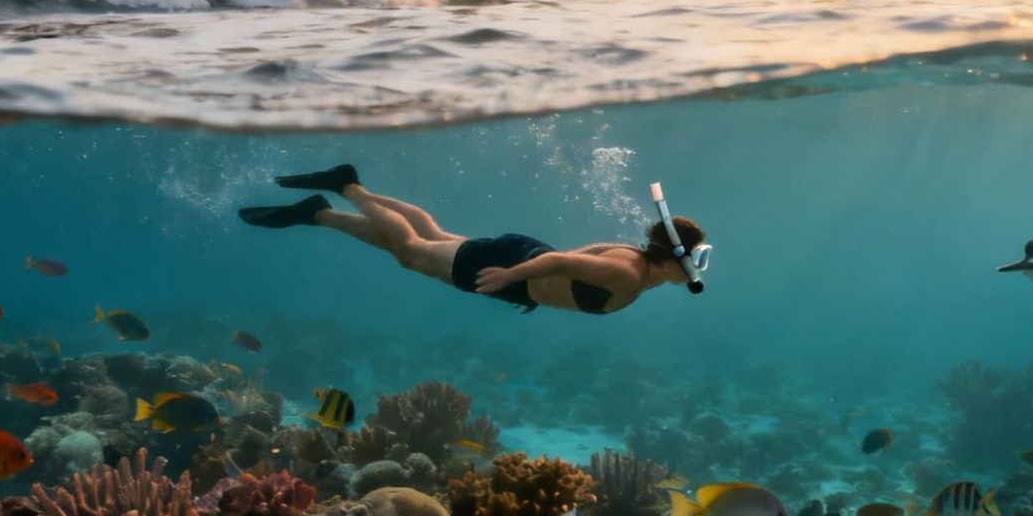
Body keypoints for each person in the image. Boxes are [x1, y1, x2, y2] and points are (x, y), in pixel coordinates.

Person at [239, 164, 708, 314]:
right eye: (695, 259)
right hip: (515, 270)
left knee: (431, 236)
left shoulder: (634, 259)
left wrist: (533, 287)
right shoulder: (626, 272)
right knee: (411, 251)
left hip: (523, 262)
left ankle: (316, 213)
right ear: (676, 259)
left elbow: (574, 257)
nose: (697, 268)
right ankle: (347, 188)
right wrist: (513, 277)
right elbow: (562, 263)